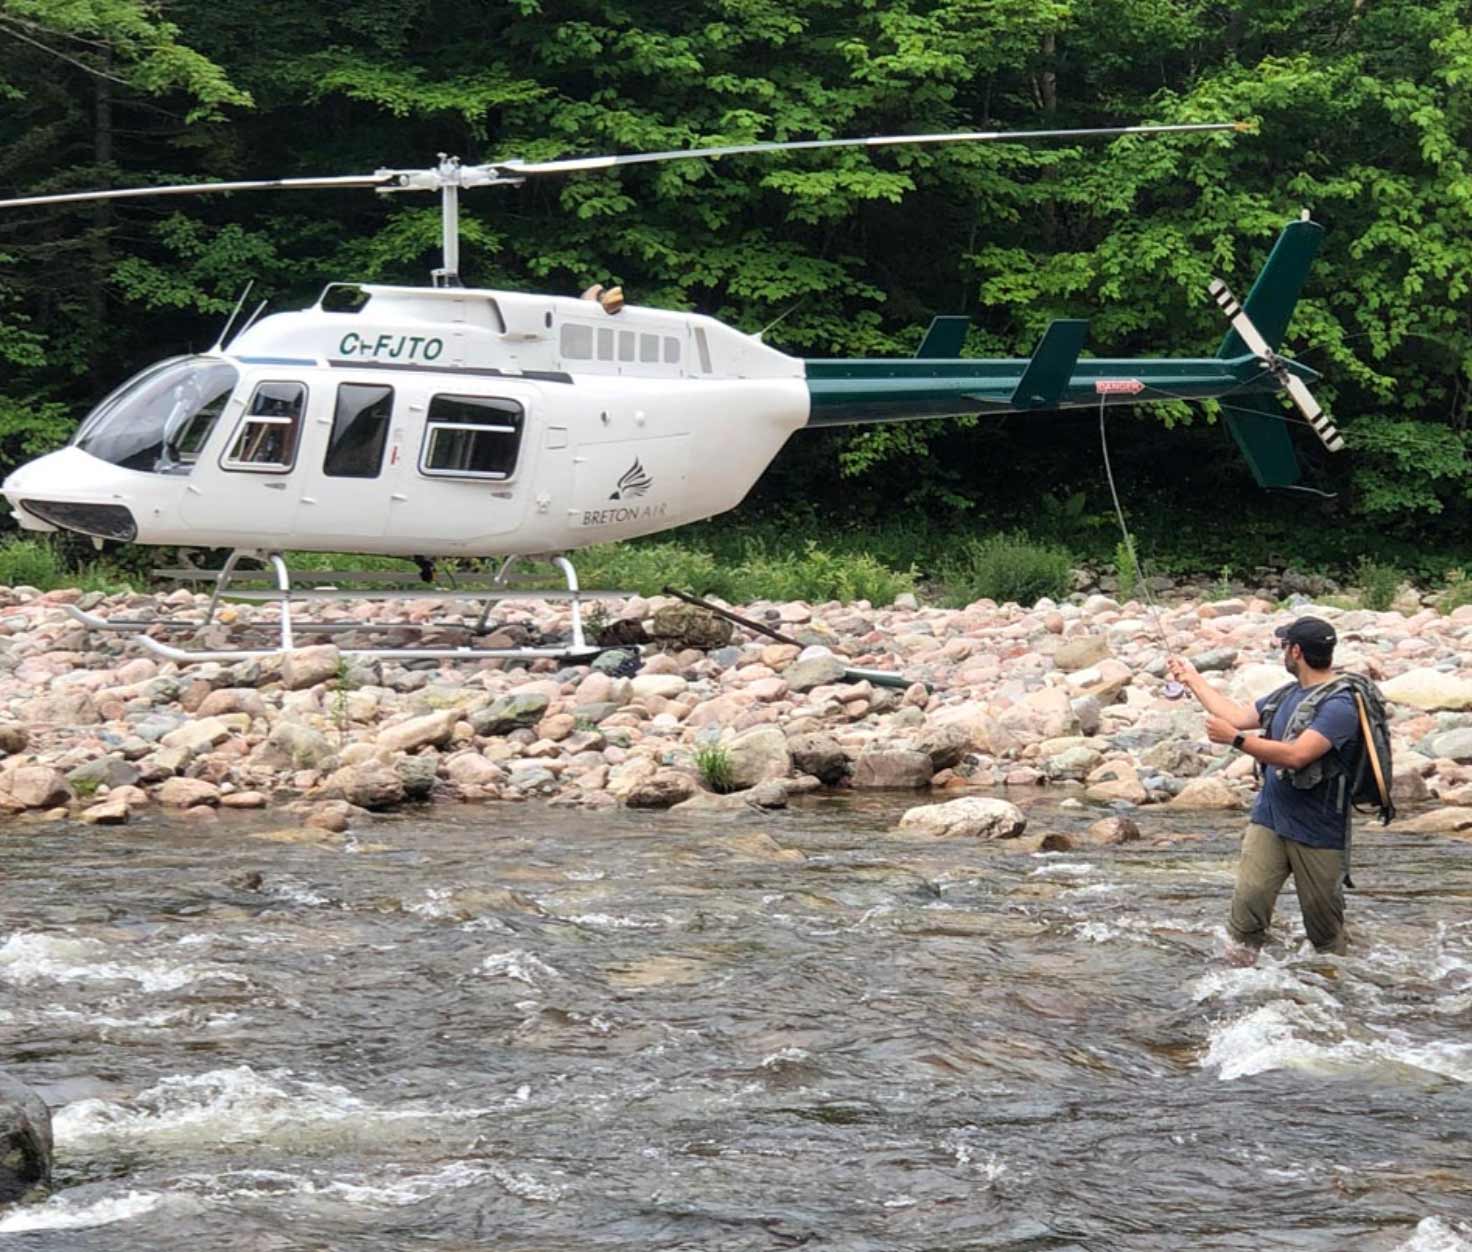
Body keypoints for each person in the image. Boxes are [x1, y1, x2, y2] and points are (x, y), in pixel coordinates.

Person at [1167, 616, 1361, 962]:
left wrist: (1237, 741)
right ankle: (1237, 978)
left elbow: (1297, 756)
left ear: (1296, 651)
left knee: (1325, 937)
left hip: (1318, 830)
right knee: (1245, 915)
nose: (1283, 652)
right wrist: (1192, 678)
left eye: (1285, 646)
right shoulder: (1287, 694)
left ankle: (1334, 984)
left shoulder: (1340, 705)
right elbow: (1236, 716)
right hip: (1269, 819)